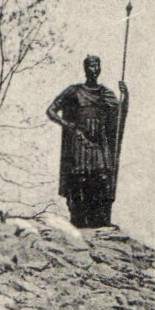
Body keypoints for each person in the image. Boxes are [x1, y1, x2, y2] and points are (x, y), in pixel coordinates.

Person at [46, 54, 130, 228]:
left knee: (101, 177)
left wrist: (125, 96)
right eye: (91, 66)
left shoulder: (106, 93)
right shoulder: (74, 91)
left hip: (98, 142)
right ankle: (79, 219)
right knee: (80, 179)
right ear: (85, 68)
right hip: (79, 141)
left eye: (97, 66)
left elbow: (117, 115)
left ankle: (99, 219)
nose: (94, 69)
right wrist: (67, 125)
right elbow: (51, 110)